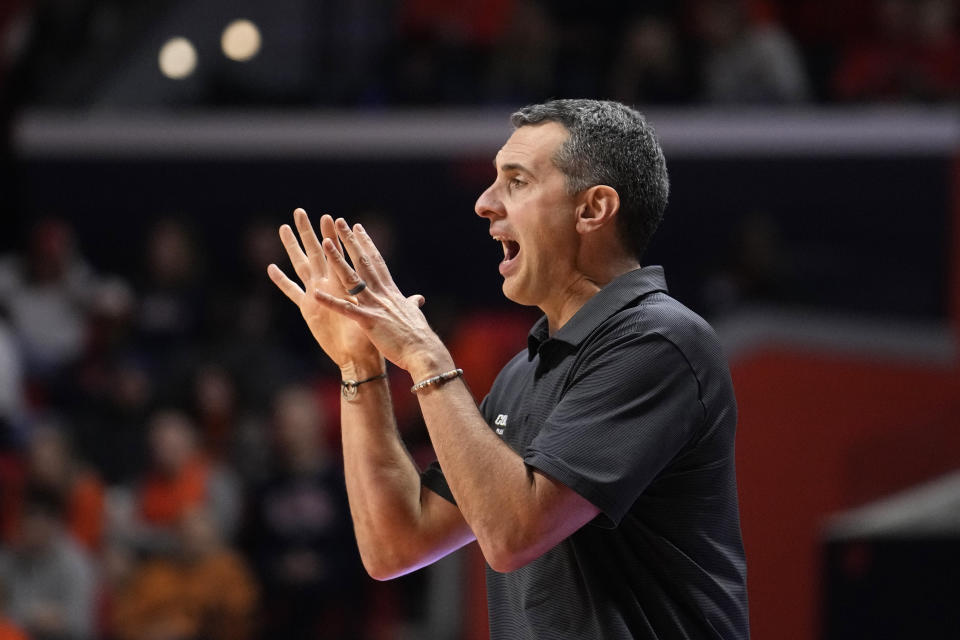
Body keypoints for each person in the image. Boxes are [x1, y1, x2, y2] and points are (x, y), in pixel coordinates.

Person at [267, 98, 749, 639]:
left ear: (592, 209)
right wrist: (361, 366)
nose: (483, 203)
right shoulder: (522, 374)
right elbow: (395, 545)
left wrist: (427, 357)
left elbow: (514, 535)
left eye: (516, 182)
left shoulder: (658, 341)